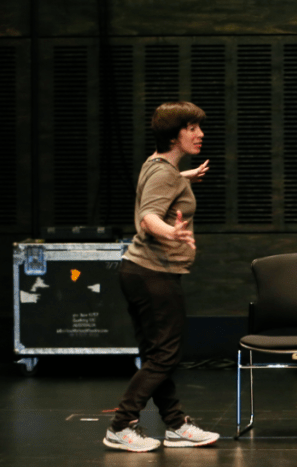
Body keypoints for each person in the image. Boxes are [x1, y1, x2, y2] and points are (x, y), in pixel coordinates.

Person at [103, 102, 219, 452]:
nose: (200, 134)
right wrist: (173, 233)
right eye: (192, 128)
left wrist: (184, 178)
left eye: (199, 127)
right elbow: (148, 218)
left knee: (157, 354)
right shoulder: (162, 173)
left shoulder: (159, 167)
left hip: (142, 273)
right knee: (165, 355)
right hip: (153, 273)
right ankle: (121, 425)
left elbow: (157, 184)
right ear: (174, 135)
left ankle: (175, 423)